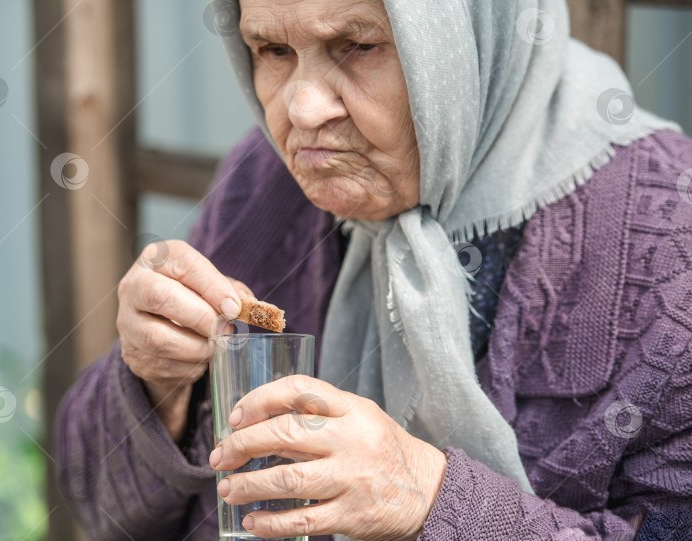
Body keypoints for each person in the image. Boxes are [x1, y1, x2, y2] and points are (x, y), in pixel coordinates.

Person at [56, 0, 692, 539]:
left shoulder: (668, 245)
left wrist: (428, 499)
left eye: (357, 45)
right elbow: (93, 500)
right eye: (271, 50)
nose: (302, 110)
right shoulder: (263, 183)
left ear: (463, 38)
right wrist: (157, 384)